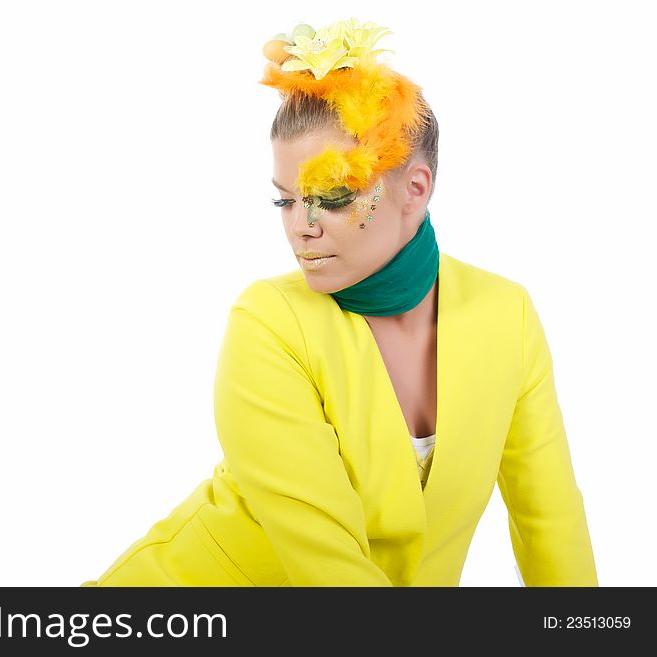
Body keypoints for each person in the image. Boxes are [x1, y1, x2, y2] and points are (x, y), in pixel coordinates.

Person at [80, 18, 598, 587]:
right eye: (284, 201)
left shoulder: (507, 315)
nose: (301, 228)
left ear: (416, 188)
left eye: (331, 195)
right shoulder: (268, 322)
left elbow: (550, 522)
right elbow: (333, 576)